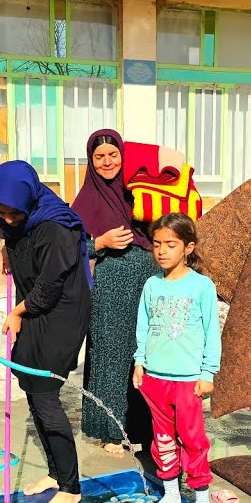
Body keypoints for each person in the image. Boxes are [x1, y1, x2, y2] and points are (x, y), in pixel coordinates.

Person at [0, 160, 93, 503]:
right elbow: (8, 229)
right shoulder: (16, 216)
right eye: (0, 212)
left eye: (14, 213)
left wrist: (17, 313)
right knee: (31, 388)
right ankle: (55, 472)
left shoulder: (55, 227)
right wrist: (4, 245)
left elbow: (49, 288)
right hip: (33, 306)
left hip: (60, 312)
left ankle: (71, 488)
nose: (9, 219)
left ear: (30, 200)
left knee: (46, 395)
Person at [133, 213, 221, 503]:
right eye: (157, 244)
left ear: (188, 247)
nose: (162, 251)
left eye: (171, 244)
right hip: (155, 379)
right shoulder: (151, 284)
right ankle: (171, 493)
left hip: (188, 382)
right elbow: (143, 327)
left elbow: (212, 333)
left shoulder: (202, 286)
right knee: (163, 439)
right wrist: (139, 362)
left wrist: (208, 372)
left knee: (193, 440)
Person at [72, 129, 158, 456]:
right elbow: (70, 246)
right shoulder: (86, 199)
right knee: (110, 354)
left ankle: (143, 428)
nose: (107, 162)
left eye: (113, 155)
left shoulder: (138, 191)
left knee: (144, 351)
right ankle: (111, 430)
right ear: (91, 161)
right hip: (109, 287)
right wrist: (100, 242)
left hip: (147, 282)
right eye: (99, 157)